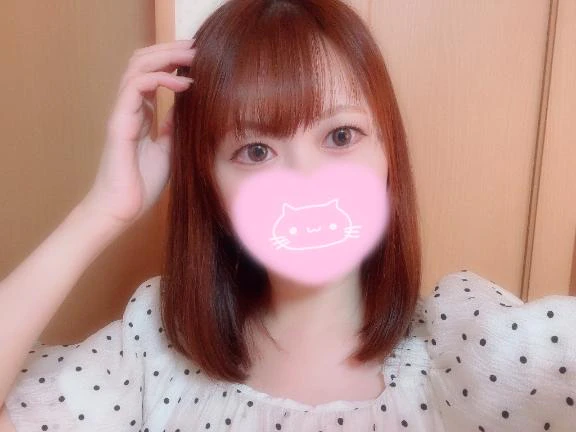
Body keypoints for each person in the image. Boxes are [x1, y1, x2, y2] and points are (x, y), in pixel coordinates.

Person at [1, 0, 575, 431]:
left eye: (341, 136)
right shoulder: (155, 344)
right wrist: (102, 210)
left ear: (389, 158)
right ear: (211, 188)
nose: (306, 184)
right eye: (256, 151)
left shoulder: (464, 346)